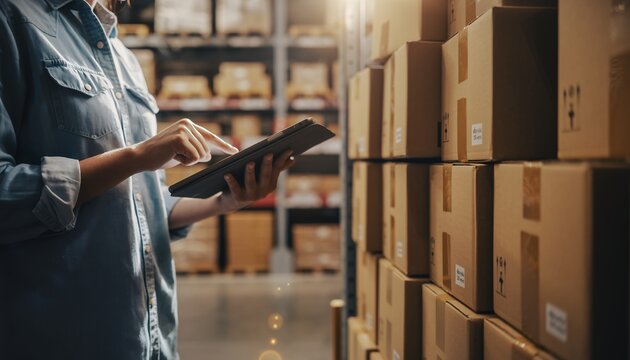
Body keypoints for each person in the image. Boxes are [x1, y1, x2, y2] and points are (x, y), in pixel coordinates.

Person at [0, 0, 294, 358]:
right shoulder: (11, 19)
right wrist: (136, 157)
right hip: (64, 334)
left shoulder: (123, 56)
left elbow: (140, 201)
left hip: (149, 336)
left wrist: (227, 199)